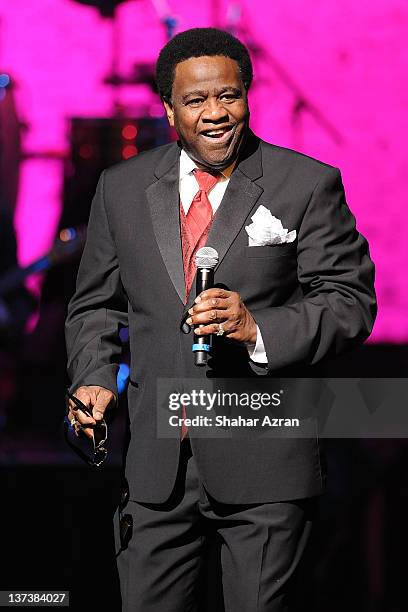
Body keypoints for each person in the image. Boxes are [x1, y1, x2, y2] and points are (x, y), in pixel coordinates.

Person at [65, 28, 376, 611]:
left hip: (264, 463)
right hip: (157, 470)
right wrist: (94, 378)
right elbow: (95, 307)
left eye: (228, 97)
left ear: (247, 96)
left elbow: (349, 302)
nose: (215, 114)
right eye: (196, 101)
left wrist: (258, 329)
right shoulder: (122, 189)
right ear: (168, 108)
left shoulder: (305, 184)